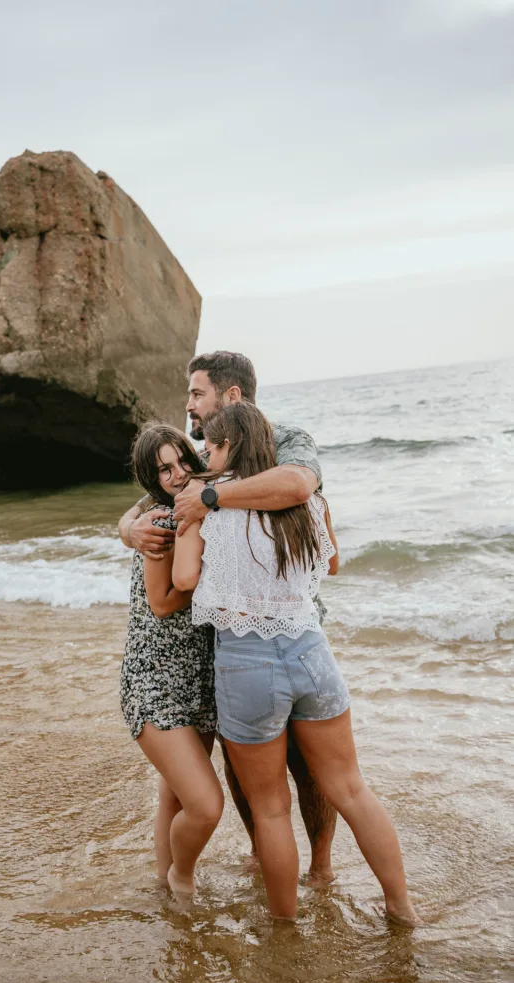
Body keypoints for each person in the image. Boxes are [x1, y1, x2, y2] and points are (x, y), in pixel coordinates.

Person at [172, 401, 421, 925]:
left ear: (229, 448)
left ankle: (285, 928)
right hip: (311, 653)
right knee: (352, 789)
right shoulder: (311, 505)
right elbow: (329, 563)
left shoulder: (209, 511)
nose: (205, 459)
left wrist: (177, 528)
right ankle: (401, 906)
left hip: (245, 663)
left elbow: (185, 582)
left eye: (211, 449)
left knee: (270, 810)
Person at [118, 351, 337, 885]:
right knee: (245, 774)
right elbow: (158, 494)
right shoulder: (201, 459)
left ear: (230, 396)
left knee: (309, 769)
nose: (189, 405)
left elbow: (299, 487)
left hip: (289, 630)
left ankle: (321, 867)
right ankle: (260, 860)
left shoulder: (286, 440)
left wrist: (210, 498)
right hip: (223, 648)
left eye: (197, 394)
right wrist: (129, 527)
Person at [119, 423, 223, 896]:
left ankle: (165, 889)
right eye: (165, 470)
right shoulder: (160, 522)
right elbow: (161, 602)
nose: (179, 474)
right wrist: (217, 585)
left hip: (198, 674)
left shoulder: (200, 500)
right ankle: (182, 877)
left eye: (182, 460)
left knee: (174, 795)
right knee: (203, 804)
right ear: (151, 478)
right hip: (155, 677)